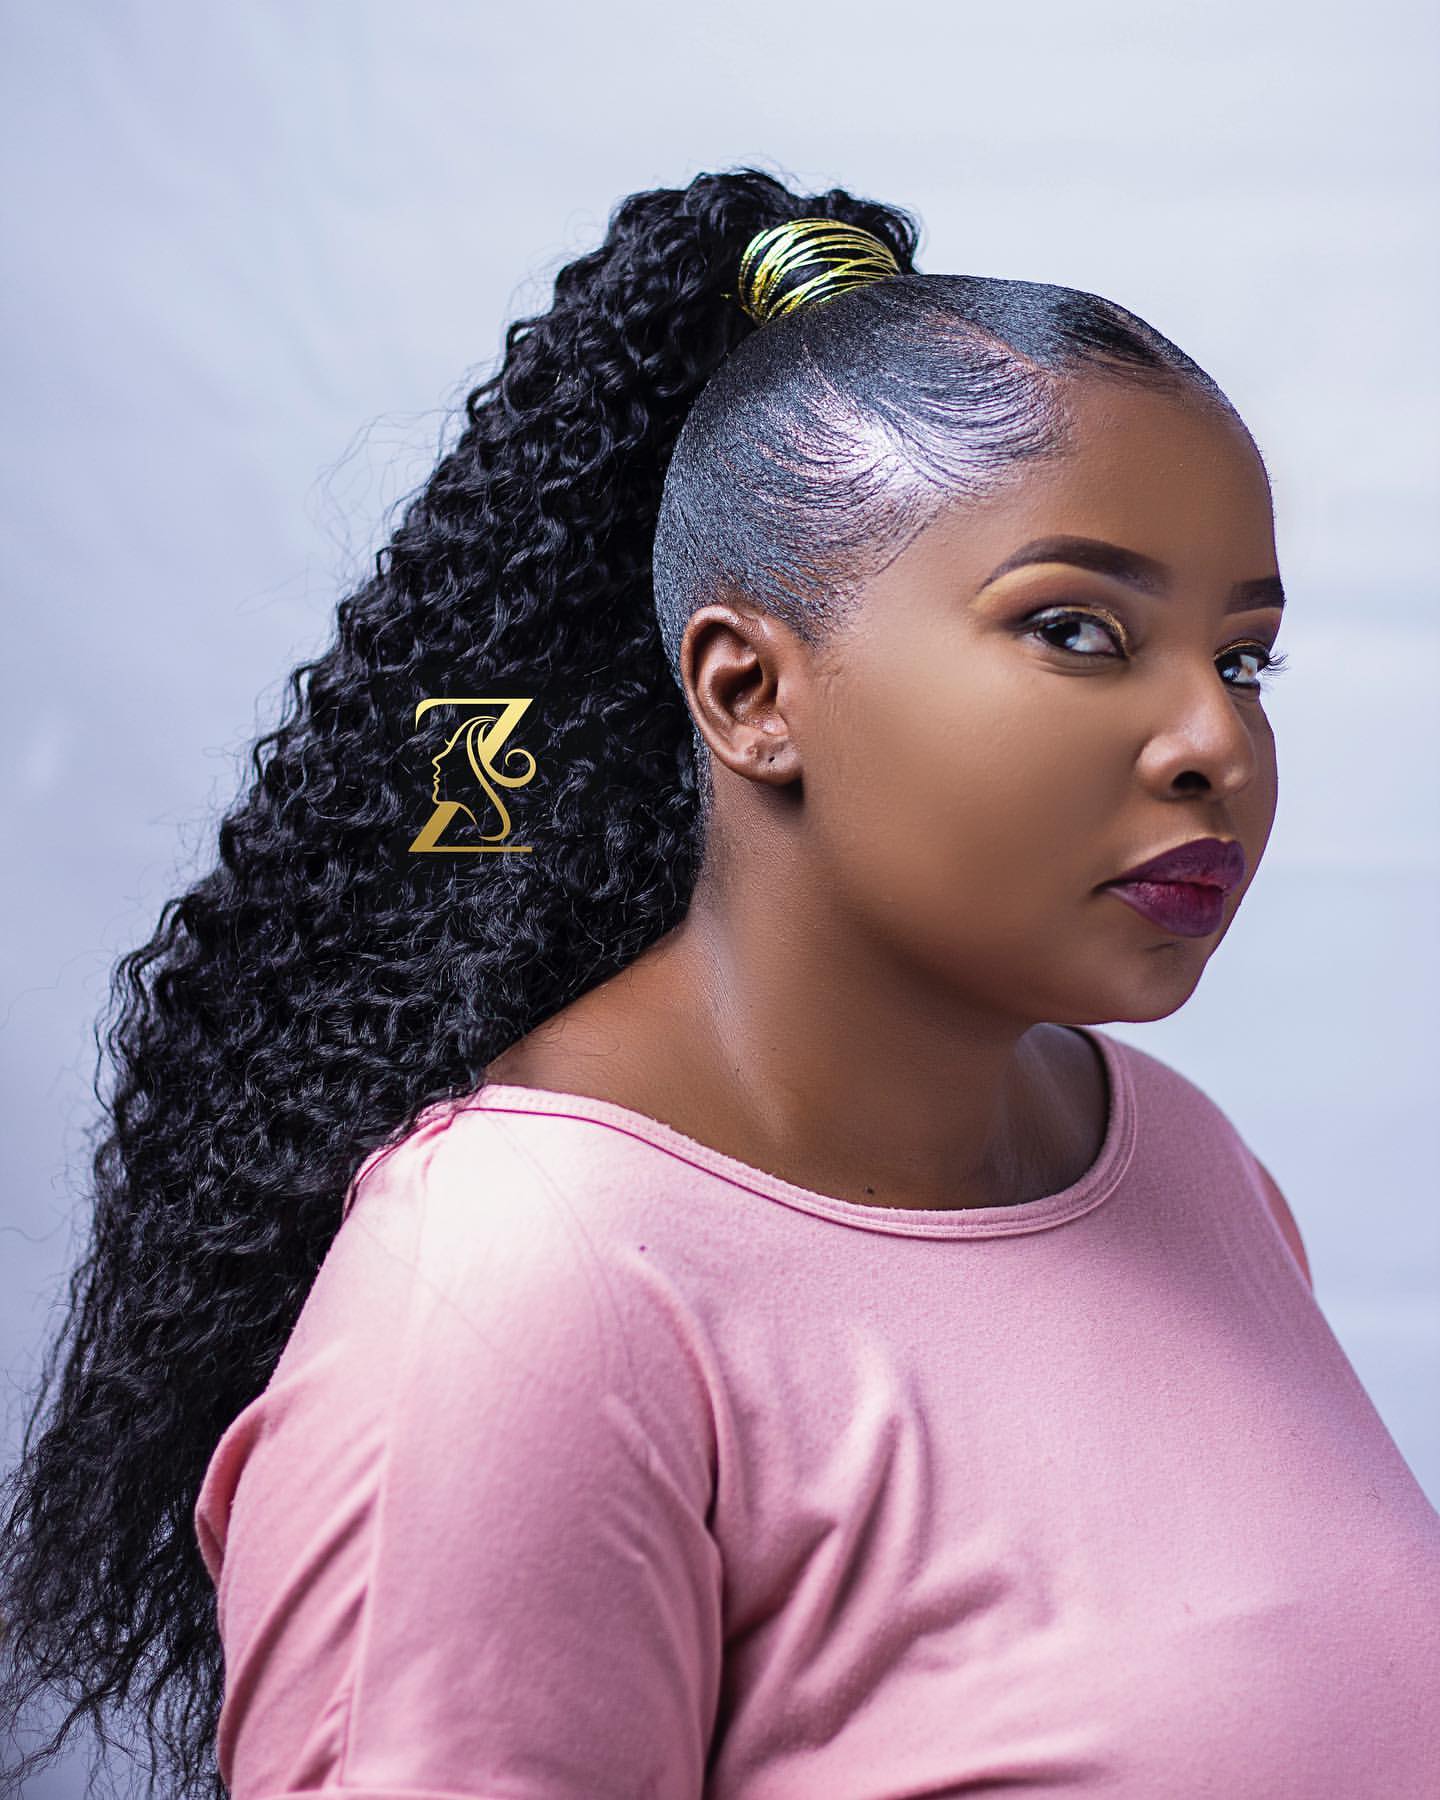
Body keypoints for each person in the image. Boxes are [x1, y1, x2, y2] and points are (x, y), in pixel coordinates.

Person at [2, 167, 1437, 1799]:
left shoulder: (1177, 1157)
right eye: (1080, 632)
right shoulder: (520, 1285)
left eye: (1243, 658)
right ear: (749, 692)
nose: (1216, 743)